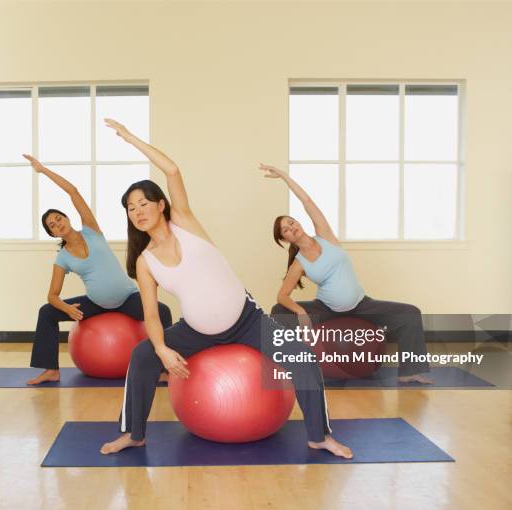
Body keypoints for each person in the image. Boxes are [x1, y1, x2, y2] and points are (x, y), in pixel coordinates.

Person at [99, 119, 353, 459]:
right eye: (131, 208)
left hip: (248, 322)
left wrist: (130, 139)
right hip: (196, 332)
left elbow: (172, 170)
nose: (137, 211)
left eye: (143, 203)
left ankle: (319, 436)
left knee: (303, 358)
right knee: (142, 354)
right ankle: (133, 433)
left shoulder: (185, 222)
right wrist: (161, 349)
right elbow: (150, 314)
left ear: (161, 205)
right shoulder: (146, 262)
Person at [261, 163, 432, 384]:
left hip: (361, 305)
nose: (291, 227)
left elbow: (307, 202)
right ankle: (291, 367)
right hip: (328, 309)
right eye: (285, 229)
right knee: (278, 311)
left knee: (410, 313)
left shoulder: (325, 236)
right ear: (285, 239)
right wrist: (301, 313)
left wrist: (284, 176)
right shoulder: (298, 264)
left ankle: (411, 371)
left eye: (291, 222)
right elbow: (282, 296)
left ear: (298, 223)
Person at [22, 154, 172, 385]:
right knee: (47, 312)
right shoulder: (62, 258)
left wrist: (42, 170)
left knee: (163, 312)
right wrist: (66, 308)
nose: (57, 224)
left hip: (127, 298)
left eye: (58, 218)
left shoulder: (91, 230)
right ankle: (51, 370)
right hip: (95, 304)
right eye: (52, 225)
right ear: (52, 234)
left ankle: (164, 369)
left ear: (67, 218)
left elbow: (73, 191)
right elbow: (52, 296)